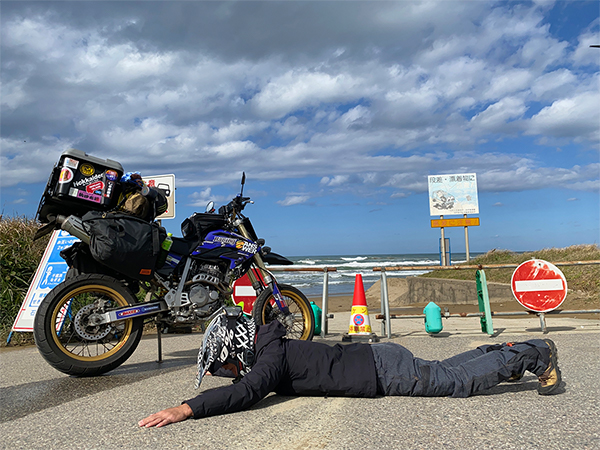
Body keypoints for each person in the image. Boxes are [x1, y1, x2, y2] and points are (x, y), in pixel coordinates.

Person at [139, 307, 562, 428]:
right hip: (380, 360)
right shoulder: (274, 346)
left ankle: (533, 354)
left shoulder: (269, 358)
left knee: (456, 383)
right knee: (446, 368)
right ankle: (503, 351)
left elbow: (248, 391)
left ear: (236, 349)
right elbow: (250, 383)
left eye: (225, 365)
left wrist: (187, 408)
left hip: (383, 373)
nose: (228, 373)